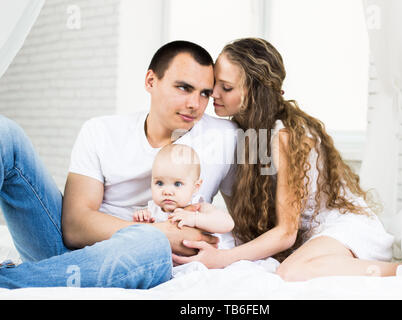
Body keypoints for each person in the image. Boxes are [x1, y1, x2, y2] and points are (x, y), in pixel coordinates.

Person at [0, 40, 237, 288]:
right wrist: (161, 231)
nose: (195, 104)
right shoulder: (101, 130)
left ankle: (9, 280)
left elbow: (254, 214)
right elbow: (74, 226)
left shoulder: (224, 137)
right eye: (183, 88)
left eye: (204, 93)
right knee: (4, 133)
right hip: (65, 250)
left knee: (151, 246)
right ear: (150, 81)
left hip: (142, 259)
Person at [172, 38, 401, 281]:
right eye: (216, 83)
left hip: (344, 228)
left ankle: (401, 272)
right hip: (313, 234)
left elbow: (286, 234)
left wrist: (221, 259)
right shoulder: (240, 132)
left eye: (226, 88)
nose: (214, 93)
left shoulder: (286, 135)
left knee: (291, 272)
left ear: (255, 92)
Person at [132, 143, 234, 240]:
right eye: (159, 183)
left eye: (177, 184)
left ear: (196, 187)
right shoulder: (152, 211)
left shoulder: (198, 207)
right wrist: (143, 221)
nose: (167, 192)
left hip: (198, 257)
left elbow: (228, 224)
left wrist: (195, 219)